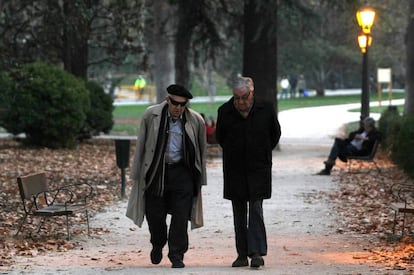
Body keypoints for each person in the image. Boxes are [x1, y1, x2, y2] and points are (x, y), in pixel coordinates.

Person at [126, 84, 207, 268]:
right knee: (155, 214)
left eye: (182, 104)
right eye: (175, 103)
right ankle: (157, 242)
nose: (178, 108)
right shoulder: (150, 115)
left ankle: (177, 254)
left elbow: (202, 151)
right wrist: (137, 174)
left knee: (180, 216)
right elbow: (142, 145)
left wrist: (200, 179)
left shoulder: (195, 120)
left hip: (182, 172)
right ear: (167, 100)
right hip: (157, 170)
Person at [215, 76, 281, 268]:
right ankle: (242, 254)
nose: (241, 102)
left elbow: (275, 134)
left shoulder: (265, 109)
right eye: (237, 98)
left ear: (252, 93)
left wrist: (261, 151)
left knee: (256, 209)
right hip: (235, 169)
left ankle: (257, 253)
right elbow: (221, 137)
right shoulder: (225, 111)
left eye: (244, 97)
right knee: (239, 212)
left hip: (258, 168)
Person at [316, 116, 381, 175]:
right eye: (364, 125)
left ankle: (328, 168)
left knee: (337, 146)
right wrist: (356, 136)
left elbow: (377, 137)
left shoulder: (374, 133)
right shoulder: (362, 130)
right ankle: (330, 166)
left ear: (370, 126)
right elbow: (351, 134)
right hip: (349, 146)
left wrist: (364, 138)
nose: (364, 126)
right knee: (337, 142)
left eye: (365, 125)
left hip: (356, 151)